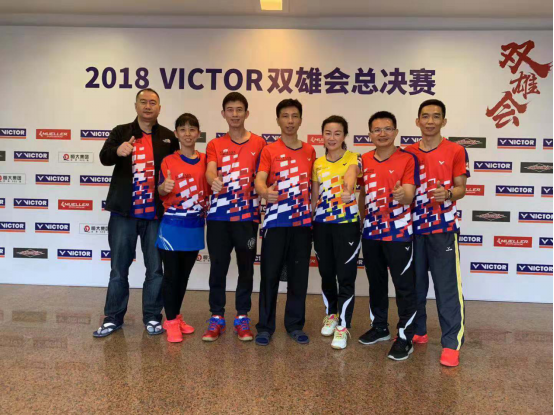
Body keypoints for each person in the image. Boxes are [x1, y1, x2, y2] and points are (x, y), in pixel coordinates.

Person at [94, 89, 179, 338]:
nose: (148, 106)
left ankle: (152, 316)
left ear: (160, 108)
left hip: (155, 215)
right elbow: (104, 157)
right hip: (124, 214)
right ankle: (113, 318)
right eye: (143, 102)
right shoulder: (121, 132)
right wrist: (117, 151)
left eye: (153, 103)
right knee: (119, 269)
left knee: (155, 270)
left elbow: (177, 168)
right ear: (136, 106)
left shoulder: (168, 137)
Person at [404, 99, 470, 367]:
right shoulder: (407, 153)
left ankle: (451, 343)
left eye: (436, 116)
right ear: (417, 121)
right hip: (413, 229)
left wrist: (449, 194)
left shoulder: (456, 150)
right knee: (414, 286)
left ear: (444, 121)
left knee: (447, 288)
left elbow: (461, 188)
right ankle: (418, 331)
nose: (430, 121)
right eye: (425, 116)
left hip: (443, 229)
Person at [203, 93, 267, 342]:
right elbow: (210, 170)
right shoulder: (214, 144)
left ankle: (242, 317)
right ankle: (216, 317)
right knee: (218, 268)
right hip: (219, 217)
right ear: (223, 114)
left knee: (246, 269)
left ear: (247, 113)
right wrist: (213, 180)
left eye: (239, 109)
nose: (235, 114)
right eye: (230, 110)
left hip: (247, 216)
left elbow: (264, 174)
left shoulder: (260, 143)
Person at [358, 111, 419, 361]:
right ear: (369, 134)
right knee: (376, 283)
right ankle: (380, 327)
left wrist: (402, 195)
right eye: (377, 130)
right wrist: (362, 219)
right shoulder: (363, 159)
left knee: (404, 287)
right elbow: (362, 193)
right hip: (371, 231)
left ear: (396, 132)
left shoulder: (408, 158)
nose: (382, 134)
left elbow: (409, 194)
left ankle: (405, 337)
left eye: (387, 129)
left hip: (399, 232)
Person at [254, 99, 316, 347]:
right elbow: (260, 179)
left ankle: (295, 325)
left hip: (302, 224)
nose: (290, 121)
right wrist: (263, 191)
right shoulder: (269, 150)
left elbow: (314, 184)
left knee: (298, 277)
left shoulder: (310, 151)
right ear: (278, 119)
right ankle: (265, 326)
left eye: (294, 116)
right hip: (276, 222)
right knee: (269, 275)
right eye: (285, 116)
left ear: (300, 119)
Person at [157, 113, 208, 343]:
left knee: (184, 276)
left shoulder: (206, 160)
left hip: (195, 225)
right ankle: (170, 321)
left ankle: (176, 316)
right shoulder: (168, 161)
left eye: (192, 129)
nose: (188, 134)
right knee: (171, 276)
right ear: (176, 134)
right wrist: (164, 188)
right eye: (183, 129)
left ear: (198, 133)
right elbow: (160, 190)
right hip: (172, 226)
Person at [312, 116, 362, 350]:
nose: (332, 138)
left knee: (345, 276)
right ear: (322, 135)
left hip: (346, 224)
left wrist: (348, 189)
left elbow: (352, 173)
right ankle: (331, 314)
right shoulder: (317, 163)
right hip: (322, 224)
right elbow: (314, 196)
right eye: (328, 133)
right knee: (327, 273)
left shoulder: (353, 157)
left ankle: (343, 325)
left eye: (337, 133)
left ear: (344, 136)